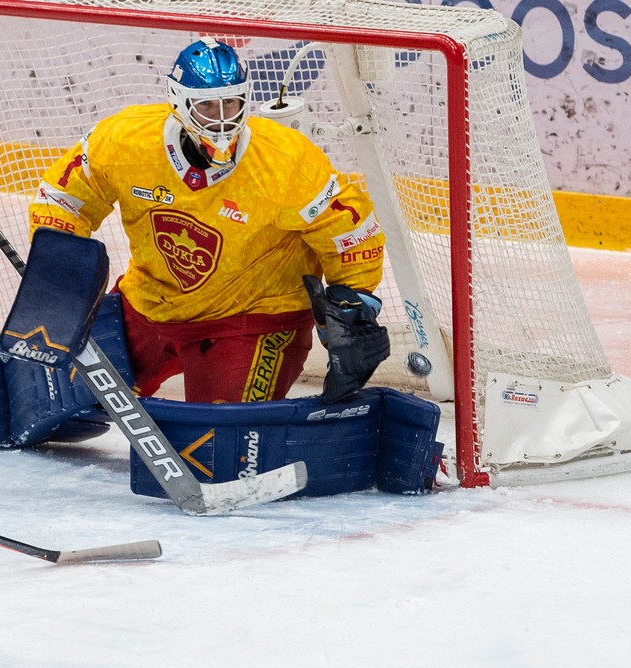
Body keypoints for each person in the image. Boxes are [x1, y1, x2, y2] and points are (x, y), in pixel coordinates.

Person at [27, 36, 389, 404]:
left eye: (230, 103)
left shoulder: (285, 161)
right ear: (179, 102)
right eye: (206, 106)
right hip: (149, 305)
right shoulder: (125, 141)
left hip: (252, 320)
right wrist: (59, 266)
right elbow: (64, 197)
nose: (221, 118)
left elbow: (349, 228)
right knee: (50, 399)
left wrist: (353, 303)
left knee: (218, 449)